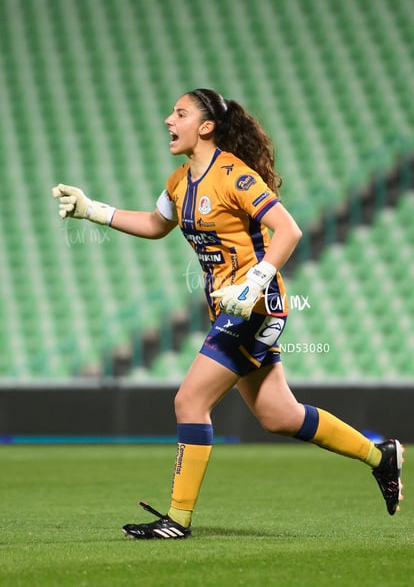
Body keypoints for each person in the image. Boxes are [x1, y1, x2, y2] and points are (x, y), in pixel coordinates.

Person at [52, 88, 404, 539]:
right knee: (278, 414)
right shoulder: (180, 182)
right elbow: (156, 225)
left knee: (189, 401)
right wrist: (93, 210)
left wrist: (255, 279)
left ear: (205, 126)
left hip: (256, 305)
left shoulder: (234, 177)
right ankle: (382, 456)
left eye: (179, 113)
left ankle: (177, 520)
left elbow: (288, 230)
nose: (167, 120)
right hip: (233, 306)